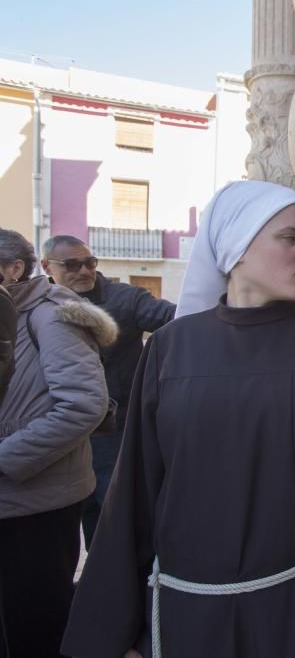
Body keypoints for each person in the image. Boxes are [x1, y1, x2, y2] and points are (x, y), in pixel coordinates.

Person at [62, 181, 295, 658]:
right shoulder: (172, 348)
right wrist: (118, 628)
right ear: (237, 246)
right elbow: (137, 489)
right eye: (290, 237)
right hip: (191, 612)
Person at [0, 228, 115, 658]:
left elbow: (84, 405)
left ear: (14, 269)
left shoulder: (52, 315)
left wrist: (4, 457)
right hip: (12, 501)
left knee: (36, 625)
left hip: (37, 506)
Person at [42, 234, 176, 547]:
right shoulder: (41, 305)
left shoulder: (125, 299)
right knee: (69, 517)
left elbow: (175, 320)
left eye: (90, 262)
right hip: (59, 430)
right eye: (72, 265)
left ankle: (114, 586)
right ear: (47, 266)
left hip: (113, 431)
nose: (84, 271)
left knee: (111, 514)